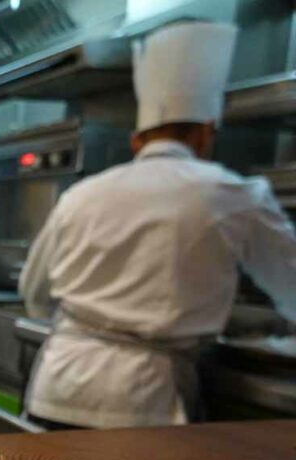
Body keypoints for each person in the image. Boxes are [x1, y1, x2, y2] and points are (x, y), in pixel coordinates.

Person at [19, 21, 296, 430]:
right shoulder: (232, 193)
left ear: (136, 141)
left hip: (58, 387)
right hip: (141, 403)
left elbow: (34, 293)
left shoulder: (81, 194)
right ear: (205, 134)